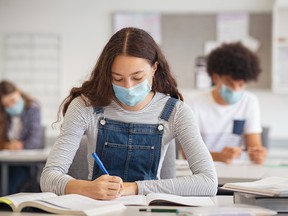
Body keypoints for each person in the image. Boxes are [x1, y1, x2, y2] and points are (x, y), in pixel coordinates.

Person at [40, 27, 217, 200]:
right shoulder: (85, 106)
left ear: (154, 68)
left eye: (137, 77)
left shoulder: (176, 112)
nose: (128, 87)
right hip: (98, 208)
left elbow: (208, 182)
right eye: (117, 78)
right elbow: (49, 177)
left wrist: (134, 188)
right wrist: (86, 188)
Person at [189, 42, 267, 164]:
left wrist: (258, 154)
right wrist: (219, 156)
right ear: (215, 78)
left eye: (241, 84)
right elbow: (187, 153)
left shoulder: (249, 102)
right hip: (202, 172)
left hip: (237, 173)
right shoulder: (194, 103)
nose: (236, 89)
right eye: (230, 83)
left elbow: (254, 146)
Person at [0, 80, 42, 194]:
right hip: (5, 161)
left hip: (24, 163)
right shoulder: (4, 115)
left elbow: (35, 141)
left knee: (11, 180)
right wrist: (7, 145)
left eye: (12, 100)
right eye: (6, 105)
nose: (11, 106)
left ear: (18, 92)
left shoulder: (33, 108)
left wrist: (19, 145)